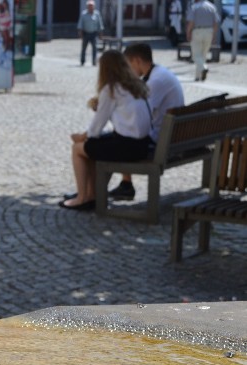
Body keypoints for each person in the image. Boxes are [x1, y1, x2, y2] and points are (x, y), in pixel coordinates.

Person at [60, 50, 151, 211]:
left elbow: (96, 128)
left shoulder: (111, 89)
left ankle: (83, 197)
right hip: (142, 145)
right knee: (94, 144)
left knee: (78, 148)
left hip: (128, 148)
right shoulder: (137, 86)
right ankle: (92, 194)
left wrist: (81, 137)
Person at [106, 43, 186, 201]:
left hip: (160, 140)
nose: (126, 71)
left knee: (112, 140)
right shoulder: (160, 73)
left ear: (136, 60)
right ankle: (125, 184)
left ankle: (94, 192)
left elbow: (137, 111)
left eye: (127, 65)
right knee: (119, 135)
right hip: (171, 135)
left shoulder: (156, 81)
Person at [185, 0, 219, 82]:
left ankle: (204, 68)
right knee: (203, 55)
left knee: (196, 55)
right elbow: (215, 22)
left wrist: (188, 32)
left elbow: (191, 22)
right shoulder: (212, 7)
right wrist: (214, 34)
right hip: (209, 31)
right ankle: (198, 76)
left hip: (197, 31)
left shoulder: (194, 7)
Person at [77, 1, 104, 66]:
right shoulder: (83, 14)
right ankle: (82, 61)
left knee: (95, 48)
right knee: (84, 48)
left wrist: (100, 33)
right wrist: (80, 33)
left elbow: (99, 24)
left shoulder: (97, 14)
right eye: (89, 6)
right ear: (87, 7)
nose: (90, 7)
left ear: (94, 6)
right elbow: (80, 24)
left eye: (92, 6)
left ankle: (94, 61)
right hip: (86, 33)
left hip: (94, 33)